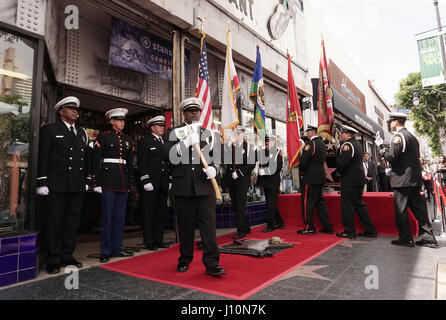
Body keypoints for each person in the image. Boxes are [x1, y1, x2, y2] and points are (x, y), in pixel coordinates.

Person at [163, 97, 225, 276]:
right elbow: (167, 154)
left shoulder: (209, 133)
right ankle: (184, 259)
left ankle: (212, 263)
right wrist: (184, 143)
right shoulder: (174, 132)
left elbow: (218, 157)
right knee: (185, 227)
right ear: (184, 113)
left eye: (197, 110)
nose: (195, 113)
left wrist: (215, 169)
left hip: (205, 187)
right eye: (190, 110)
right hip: (183, 186)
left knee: (208, 226)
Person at [36, 96, 89, 274]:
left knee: (72, 222)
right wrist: (42, 181)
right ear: (61, 111)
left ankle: (67, 255)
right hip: (56, 184)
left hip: (76, 185)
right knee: (54, 222)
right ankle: (53, 258)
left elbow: (85, 159)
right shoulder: (50, 130)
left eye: (76, 109)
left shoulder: (81, 133)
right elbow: (43, 157)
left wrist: (87, 180)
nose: (75, 111)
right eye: (70, 108)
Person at [375, 112, 437, 248]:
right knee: (419, 210)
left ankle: (406, 238)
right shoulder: (412, 137)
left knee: (401, 210)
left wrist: (381, 149)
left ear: (396, 122)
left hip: (403, 181)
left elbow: (392, 157)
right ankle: (429, 238)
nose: (389, 124)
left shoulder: (398, 136)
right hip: (413, 179)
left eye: (390, 121)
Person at [91, 108, 135, 262]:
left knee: (119, 218)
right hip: (108, 181)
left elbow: (129, 164)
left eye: (123, 120)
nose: (122, 122)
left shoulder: (128, 139)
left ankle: (117, 248)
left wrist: (129, 183)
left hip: (122, 182)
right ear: (111, 121)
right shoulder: (103, 137)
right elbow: (95, 158)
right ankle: (105, 251)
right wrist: (95, 181)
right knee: (107, 218)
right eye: (118, 120)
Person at [336, 125, 377, 239]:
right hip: (358, 180)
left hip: (350, 180)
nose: (340, 135)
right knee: (359, 205)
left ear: (348, 134)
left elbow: (342, 163)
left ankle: (349, 231)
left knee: (347, 206)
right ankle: (370, 230)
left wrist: (338, 171)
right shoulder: (358, 144)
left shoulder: (347, 145)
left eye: (342, 133)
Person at [138, 116, 171, 251]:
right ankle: (149, 241)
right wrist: (145, 179)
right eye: (159, 126)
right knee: (149, 212)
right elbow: (142, 162)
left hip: (162, 182)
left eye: (163, 126)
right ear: (152, 128)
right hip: (151, 182)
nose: (162, 128)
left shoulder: (164, 142)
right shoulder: (145, 141)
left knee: (160, 213)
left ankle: (159, 239)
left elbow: (168, 162)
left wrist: (169, 179)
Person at [297, 124, 333, 235]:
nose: (307, 133)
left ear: (312, 132)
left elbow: (304, 161)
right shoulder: (322, 144)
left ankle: (309, 227)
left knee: (307, 202)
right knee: (320, 203)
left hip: (310, 177)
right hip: (320, 177)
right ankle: (327, 227)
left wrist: (302, 173)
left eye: (308, 131)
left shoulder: (310, 144)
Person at [222, 125, 256, 239]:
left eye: (237, 134)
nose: (235, 136)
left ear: (242, 135)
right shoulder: (231, 146)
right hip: (232, 180)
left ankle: (241, 231)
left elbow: (251, 164)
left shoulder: (249, 147)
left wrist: (240, 172)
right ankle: (246, 226)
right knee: (236, 205)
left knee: (240, 205)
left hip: (242, 180)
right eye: (234, 134)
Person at [257, 134, 285, 232]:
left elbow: (277, 168)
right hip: (266, 182)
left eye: (269, 141)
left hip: (273, 182)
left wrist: (264, 171)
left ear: (273, 142)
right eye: (266, 141)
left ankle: (271, 225)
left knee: (271, 204)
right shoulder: (263, 152)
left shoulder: (277, 153)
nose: (267, 143)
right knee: (270, 203)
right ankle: (280, 222)